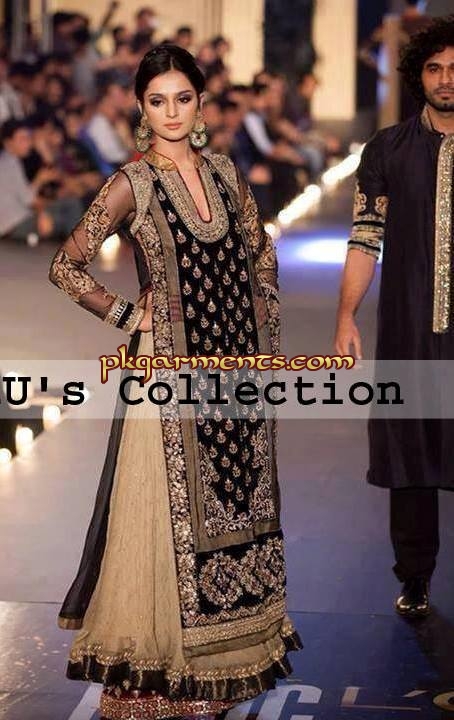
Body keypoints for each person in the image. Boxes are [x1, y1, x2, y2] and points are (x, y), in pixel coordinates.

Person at [48, 44, 301, 720]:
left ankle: (225, 662)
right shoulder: (130, 183)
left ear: (200, 104)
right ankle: (161, 673)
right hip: (166, 374)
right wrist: (128, 315)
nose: (170, 112)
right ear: (141, 107)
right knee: (163, 518)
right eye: (157, 100)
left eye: (182, 98)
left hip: (235, 368)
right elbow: (66, 266)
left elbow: (261, 250)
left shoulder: (225, 173)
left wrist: (262, 326)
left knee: (237, 502)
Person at [335, 17, 454, 619]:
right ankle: (415, 576)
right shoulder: (387, 148)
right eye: (434, 68)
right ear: (417, 76)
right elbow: (365, 236)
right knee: (410, 455)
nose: (446, 79)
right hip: (408, 327)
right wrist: (346, 316)